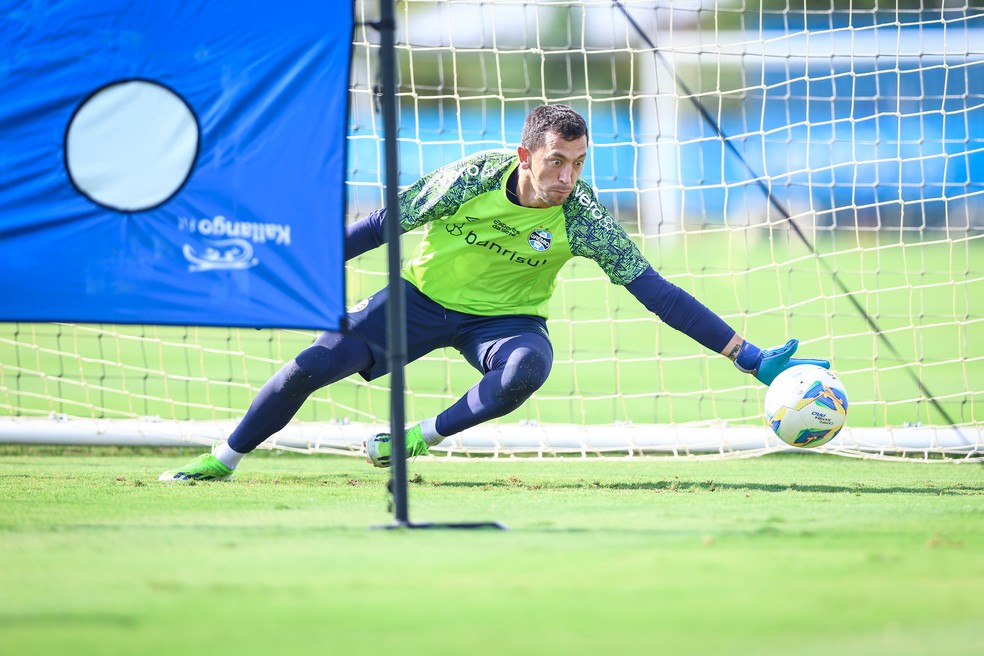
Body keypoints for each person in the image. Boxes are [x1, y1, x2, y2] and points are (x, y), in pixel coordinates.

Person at [159, 104, 829, 482]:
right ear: (525, 155)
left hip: (504, 322)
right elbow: (378, 227)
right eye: (556, 162)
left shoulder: (583, 216)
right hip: (418, 300)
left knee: (528, 368)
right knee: (310, 366)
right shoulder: (469, 178)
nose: (566, 177)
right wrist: (302, 271)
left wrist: (751, 358)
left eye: (578, 163)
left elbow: (656, 292)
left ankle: (416, 437)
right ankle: (224, 457)